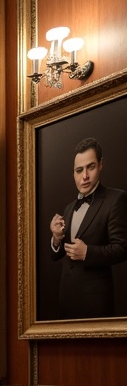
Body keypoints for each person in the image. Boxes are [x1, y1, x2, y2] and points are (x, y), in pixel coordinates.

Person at [49, 137, 127, 320]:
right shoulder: (69, 208)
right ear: (73, 173)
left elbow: (123, 249)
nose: (84, 176)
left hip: (96, 303)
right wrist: (56, 238)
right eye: (79, 170)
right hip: (66, 300)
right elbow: (55, 255)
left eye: (90, 167)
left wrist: (87, 253)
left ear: (100, 165)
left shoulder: (116, 199)